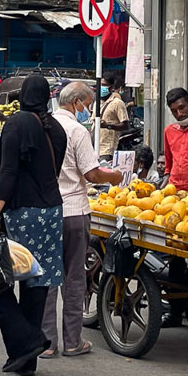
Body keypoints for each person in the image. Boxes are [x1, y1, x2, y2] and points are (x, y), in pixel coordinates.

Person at [0, 73, 65, 376]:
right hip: (51, 212)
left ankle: (28, 340)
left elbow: (8, 172)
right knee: (36, 284)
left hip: (23, 213)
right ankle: (26, 359)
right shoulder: (55, 128)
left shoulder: (17, 123)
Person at [43, 81, 121, 358]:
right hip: (74, 210)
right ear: (76, 102)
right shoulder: (77, 130)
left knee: (49, 279)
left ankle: (48, 344)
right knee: (74, 277)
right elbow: (92, 174)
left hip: (49, 211)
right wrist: (115, 176)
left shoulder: (46, 125)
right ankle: (73, 341)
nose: (87, 109)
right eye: (87, 104)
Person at [98, 73, 132, 162]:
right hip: (94, 147)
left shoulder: (117, 103)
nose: (102, 87)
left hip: (107, 149)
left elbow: (125, 125)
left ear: (111, 87)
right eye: (100, 85)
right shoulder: (97, 103)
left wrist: (107, 125)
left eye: (104, 85)